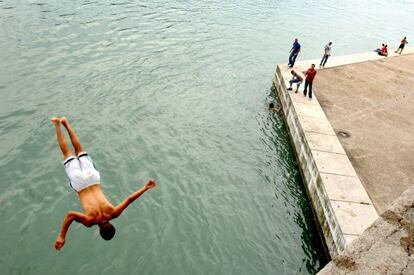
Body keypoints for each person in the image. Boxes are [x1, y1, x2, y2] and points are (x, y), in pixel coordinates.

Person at [50, 117, 156, 251]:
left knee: (79, 149)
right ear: (99, 232)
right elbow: (70, 215)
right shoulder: (90, 221)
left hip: (93, 179)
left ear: (112, 225)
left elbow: (129, 200)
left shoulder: (114, 213)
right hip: (80, 184)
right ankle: (57, 124)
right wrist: (61, 236)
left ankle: (65, 122)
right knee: (67, 153)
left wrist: (145, 187)